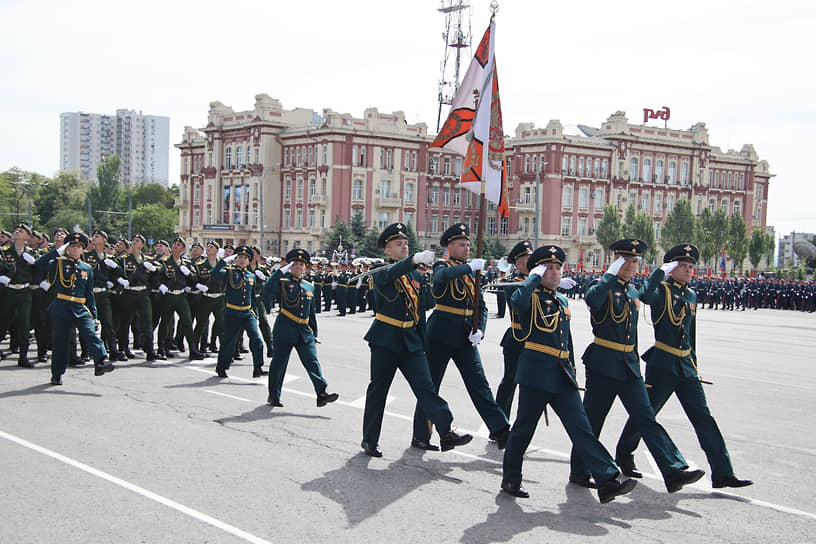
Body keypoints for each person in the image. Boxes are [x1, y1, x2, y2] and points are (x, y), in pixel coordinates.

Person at [500, 245, 636, 503]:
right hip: (536, 374)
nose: (554, 272)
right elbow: (516, 303)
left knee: (581, 428)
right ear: (538, 271)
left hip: (562, 374)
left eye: (557, 268)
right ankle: (511, 478)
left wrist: (573, 371)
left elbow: (566, 341)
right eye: (548, 268)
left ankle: (607, 479)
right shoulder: (529, 295)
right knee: (523, 430)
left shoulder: (561, 300)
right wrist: (532, 278)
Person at [570, 238, 705, 494]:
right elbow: (593, 302)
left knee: (646, 418)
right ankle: (579, 470)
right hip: (603, 365)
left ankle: (673, 469)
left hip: (629, 367)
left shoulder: (632, 292)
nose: (632, 265)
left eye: (635, 261)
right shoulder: (601, 285)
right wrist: (610, 274)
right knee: (592, 421)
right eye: (627, 260)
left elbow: (635, 326)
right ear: (617, 261)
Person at [615, 243, 753, 489]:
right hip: (663, 364)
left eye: (692, 266)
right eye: (684, 266)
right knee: (647, 414)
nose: (690, 270)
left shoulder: (691, 295)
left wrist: (695, 366)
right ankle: (625, 454)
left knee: (703, 418)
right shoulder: (663, 290)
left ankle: (722, 473)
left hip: (686, 366)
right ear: (672, 268)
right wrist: (659, 272)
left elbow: (691, 335)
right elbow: (645, 296)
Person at [361, 223, 473, 457]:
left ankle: (446, 430)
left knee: (426, 389)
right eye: (398, 244)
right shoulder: (380, 270)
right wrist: (412, 261)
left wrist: (428, 280)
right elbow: (392, 274)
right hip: (385, 339)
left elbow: (424, 307)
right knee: (378, 391)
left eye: (405, 243)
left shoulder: (415, 274)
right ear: (387, 250)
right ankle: (370, 440)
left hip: (411, 340)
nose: (404, 247)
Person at [411, 223, 510, 450]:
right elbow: (443, 277)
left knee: (479, 385)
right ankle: (421, 435)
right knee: (431, 386)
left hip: (466, 335)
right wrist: (469, 268)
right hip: (441, 334)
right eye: (461, 245)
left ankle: (501, 430)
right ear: (450, 247)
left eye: (468, 244)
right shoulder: (441, 266)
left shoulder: (471, 272)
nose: (466, 248)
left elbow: (481, 306)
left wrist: (480, 329)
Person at [263, 248, 338, 408]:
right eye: (295, 264)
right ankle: (274, 396)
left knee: (312, 361)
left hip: (304, 331)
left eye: (301, 264)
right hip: (285, 328)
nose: (298, 267)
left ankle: (321, 393)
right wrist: (279, 271)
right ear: (290, 266)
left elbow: (311, 313)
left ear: (305, 267)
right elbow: (267, 289)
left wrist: (314, 333)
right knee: (279, 363)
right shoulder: (283, 283)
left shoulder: (309, 286)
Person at [34, 232, 113, 385]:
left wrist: (94, 315)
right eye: (72, 246)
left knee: (90, 333)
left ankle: (101, 361)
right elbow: (39, 263)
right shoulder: (58, 263)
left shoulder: (87, 268)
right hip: (62, 306)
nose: (76, 249)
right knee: (61, 343)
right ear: (67, 248)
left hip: (80, 306)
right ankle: (57, 374)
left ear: (83, 250)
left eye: (79, 246)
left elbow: (89, 294)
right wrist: (58, 251)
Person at [210, 245, 266, 378]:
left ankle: (258, 367)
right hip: (232, 312)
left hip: (247, 313)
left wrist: (254, 312)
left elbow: (252, 297)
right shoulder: (229, 272)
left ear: (249, 261)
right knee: (229, 341)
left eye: (245, 258)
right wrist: (224, 261)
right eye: (240, 257)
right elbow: (214, 274)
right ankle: (221, 367)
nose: (242, 260)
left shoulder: (250, 276)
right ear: (235, 259)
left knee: (257, 339)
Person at [495, 240, 533, 419]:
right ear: (518, 263)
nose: (532, 261)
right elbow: (518, 303)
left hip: (536, 340)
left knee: (531, 387)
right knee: (510, 382)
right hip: (517, 339)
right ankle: (500, 421)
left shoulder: (539, 280)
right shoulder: (512, 283)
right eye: (527, 258)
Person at [155, 237, 206, 360]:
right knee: (165, 323)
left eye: (179, 244)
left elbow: (194, 278)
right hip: (169, 295)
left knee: (187, 322)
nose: (176, 246)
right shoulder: (165, 261)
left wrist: (188, 273)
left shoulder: (186, 263)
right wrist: (160, 286)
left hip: (182, 296)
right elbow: (156, 276)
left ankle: (193, 350)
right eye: (175, 244)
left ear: (183, 248)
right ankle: (162, 348)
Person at [0, 224, 38, 367]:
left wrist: (35, 264)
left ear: (27, 237)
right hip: (8, 291)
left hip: (24, 292)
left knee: (24, 324)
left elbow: (39, 272)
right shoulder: (4, 251)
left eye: (22, 231)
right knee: (2, 322)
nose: (17, 231)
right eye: (16, 229)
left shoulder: (32, 253)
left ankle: (23, 356)